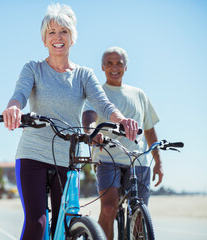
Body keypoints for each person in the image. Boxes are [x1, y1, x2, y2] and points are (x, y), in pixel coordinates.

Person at [2, 4, 139, 240]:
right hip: (33, 154)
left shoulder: (84, 75)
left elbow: (104, 104)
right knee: (37, 223)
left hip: (67, 158)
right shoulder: (33, 69)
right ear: (44, 39)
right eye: (52, 32)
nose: (58, 37)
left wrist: (122, 119)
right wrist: (13, 108)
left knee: (66, 223)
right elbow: (19, 95)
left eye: (63, 32)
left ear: (72, 38)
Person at [82, 46, 162, 240]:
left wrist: (158, 162)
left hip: (139, 161)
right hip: (107, 158)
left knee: (138, 214)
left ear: (126, 67)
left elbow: (149, 129)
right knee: (109, 209)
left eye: (119, 63)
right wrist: (92, 132)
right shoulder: (98, 92)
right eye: (109, 63)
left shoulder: (139, 94)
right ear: (102, 67)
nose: (114, 67)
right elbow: (89, 117)